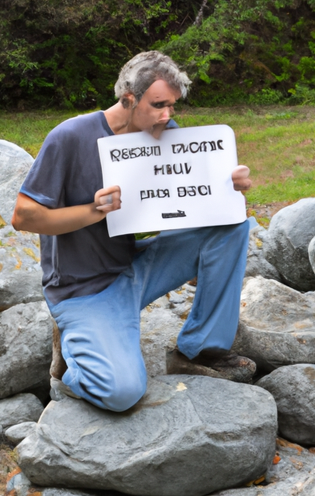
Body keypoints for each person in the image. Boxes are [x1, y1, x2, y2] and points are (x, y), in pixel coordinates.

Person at [11, 51, 256, 412]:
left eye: (172, 105)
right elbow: (24, 217)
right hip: (86, 290)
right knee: (122, 393)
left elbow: (180, 197)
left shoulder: (163, 133)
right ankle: (71, 368)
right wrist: (93, 210)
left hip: (138, 265)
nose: (167, 115)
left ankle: (199, 349)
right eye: (158, 105)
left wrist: (223, 185)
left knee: (232, 225)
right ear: (129, 99)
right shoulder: (71, 136)